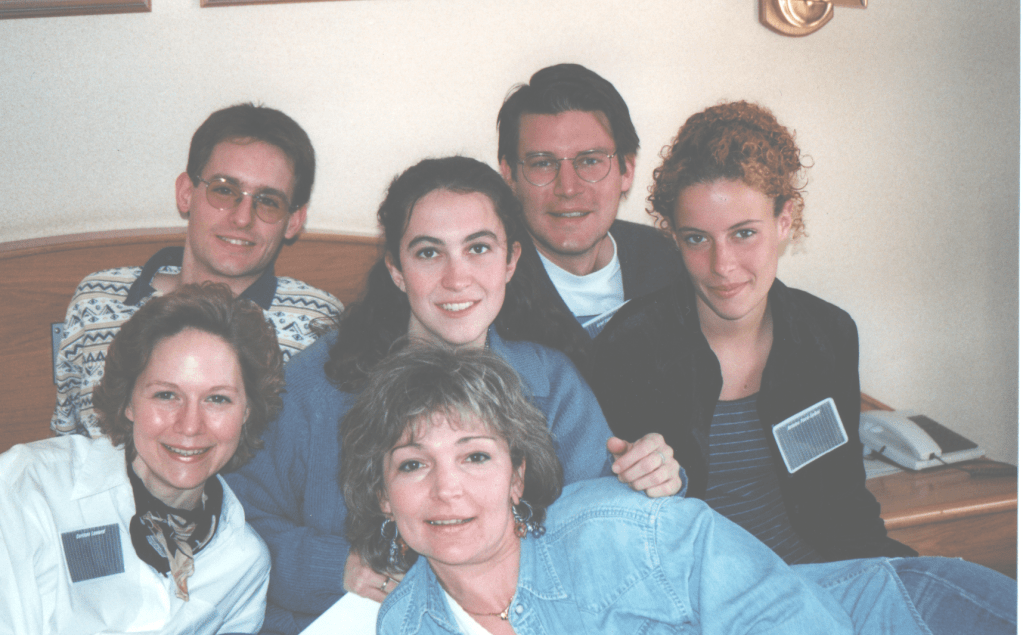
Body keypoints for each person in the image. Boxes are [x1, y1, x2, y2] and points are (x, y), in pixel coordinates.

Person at [589, 101, 1016, 633]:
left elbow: (842, 500)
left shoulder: (825, 334)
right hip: (720, 605)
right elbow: (619, 538)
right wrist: (647, 480)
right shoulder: (632, 348)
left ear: (784, 221)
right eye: (697, 238)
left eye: (744, 233)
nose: (723, 266)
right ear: (675, 237)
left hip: (834, 575)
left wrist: (887, 581)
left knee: (998, 603)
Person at [225, 156, 682, 635]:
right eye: (428, 253)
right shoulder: (317, 384)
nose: (457, 278)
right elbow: (234, 517)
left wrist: (653, 474)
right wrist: (332, 566)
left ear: (511, 261)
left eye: (478, 248)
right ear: (396, 269)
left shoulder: (551, 383)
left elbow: (609, 520)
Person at [343, 345, 946, 635]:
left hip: (908, 613)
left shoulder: (630, 530)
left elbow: (799, 624)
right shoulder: (406, 624)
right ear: (382, 495)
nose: (447, 490)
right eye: (413, 465)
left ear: (517, 477)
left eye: (475, 456)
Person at [0, 284, 280, 634]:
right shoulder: (27, 487)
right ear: (128, 402)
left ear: (247, 412)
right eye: (166, 395)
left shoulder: (244, 564)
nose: (190, 426)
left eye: (218, 399)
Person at [52, 103, 343, 438]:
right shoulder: (97, 301)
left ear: (293, 220)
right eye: (224, 190)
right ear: (186, 193)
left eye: (268, 201)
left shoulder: (318, 324)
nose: (242, 218)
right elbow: (66, 445)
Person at [497, 63, 683, 339]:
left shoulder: (668, 261)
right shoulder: (486, 286)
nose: (568, 188)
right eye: (543, 163)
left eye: (590, 161)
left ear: (627, 171)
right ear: (509, 176)